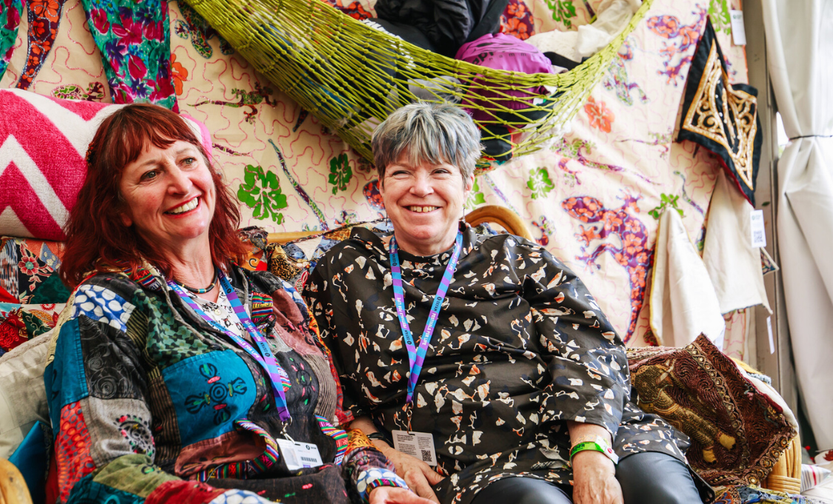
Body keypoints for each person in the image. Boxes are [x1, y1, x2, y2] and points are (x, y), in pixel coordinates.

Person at [302, 103, 710, 504]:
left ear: (467, 184)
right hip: (477, 465)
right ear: (381, 184)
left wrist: (591, 453)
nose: (421, 188)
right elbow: (326, 388)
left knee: (662, 495)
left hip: (583, 429)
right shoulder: (346, 270)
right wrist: (382, 453)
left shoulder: (515, 256)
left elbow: (590, 348)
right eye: (402, 172)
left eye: (440, 171)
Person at [47, 103, 433, 504]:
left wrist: (377, 482)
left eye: (187, 160)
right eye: (150, 174)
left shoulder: (274, 295)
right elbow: (101, 474)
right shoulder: (107, 305)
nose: (181, 183)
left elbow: (327, 427)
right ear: (119, 210)